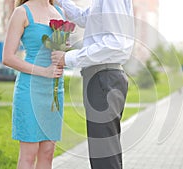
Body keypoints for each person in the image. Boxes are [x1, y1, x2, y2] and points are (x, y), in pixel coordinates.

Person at [52, 1, 134, 169]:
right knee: (105, 151)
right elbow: (84, 18)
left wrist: (69, 58)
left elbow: (115, 43)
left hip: (103, 78)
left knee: (104, 154)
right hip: (103, 77)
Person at [2, 0, 65, 168]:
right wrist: (44, 71)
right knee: (28, 155)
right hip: (30, 89)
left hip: (54, 91)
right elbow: (8, 57)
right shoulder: (22, 12)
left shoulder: (59, 11)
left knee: (48, 153)